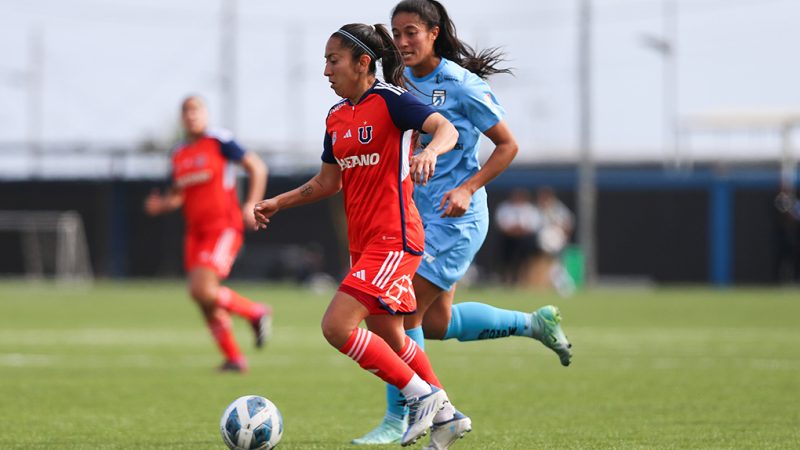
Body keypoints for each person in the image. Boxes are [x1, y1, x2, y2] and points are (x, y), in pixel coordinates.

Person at [352, 1, 573, 447]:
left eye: (411, 31)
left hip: (456, 219)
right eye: (397, 33)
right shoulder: (398, 80)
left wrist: (467, 188)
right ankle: (534, 323)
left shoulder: (460, 84)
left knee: (398, 309)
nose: (403, 41)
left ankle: (404, 415)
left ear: (434, 33)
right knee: (434, 324)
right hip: (416, 217)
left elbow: (508, 146)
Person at [253, 23, 464, 447]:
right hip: (365, 244)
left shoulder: (392, 101)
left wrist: (428, 150)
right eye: (325, 62)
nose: (326, 71)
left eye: (334, 61)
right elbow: (328, 182)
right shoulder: (335, 117)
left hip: (395, 238)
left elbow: (447, 130)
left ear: (363, 62)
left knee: (336, 326)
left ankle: (421, 397)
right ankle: (448, 416)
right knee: (390, 335)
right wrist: (281, 201)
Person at [145, 96, 272, 373]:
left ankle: (254, 312)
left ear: (205, 114)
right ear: (181, 118)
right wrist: (162, 205)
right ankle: (234, 359)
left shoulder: (220, 141)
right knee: (202, 298)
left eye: (196, 110)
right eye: (186, 112)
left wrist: (251, 204)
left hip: (223, 227)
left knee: (202, 289)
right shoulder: (179, 154)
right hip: (195, 233)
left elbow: (258, 167)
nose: (191, 116)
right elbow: (177, 196)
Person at [495, 188, 541, 284]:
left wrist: (522, 230)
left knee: (527, 248)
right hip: (508, 239)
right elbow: (501, 224)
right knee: (506, 252)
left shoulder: (530, 209)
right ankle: (505, 277)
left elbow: (534, 225)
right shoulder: (505, 207)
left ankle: (523, 277)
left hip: (525, 240)